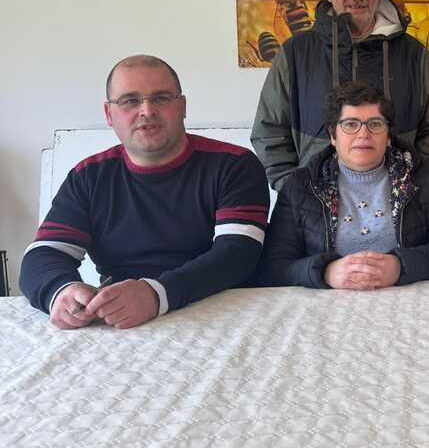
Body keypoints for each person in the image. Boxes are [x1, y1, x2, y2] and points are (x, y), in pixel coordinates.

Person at [20, 55, 269, 329]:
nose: (147, 110)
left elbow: (238, 254)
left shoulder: (235, 165)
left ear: (182, 106)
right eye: (130, 100)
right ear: (109, 114)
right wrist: (61, 291)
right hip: (121, 321)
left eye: (161, 98)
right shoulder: (88, 176)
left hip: (226, 317)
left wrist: (156, 294)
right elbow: (43, 254)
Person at [252, 0, 429, 190]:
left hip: (399, 203)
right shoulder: (295, 53)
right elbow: (269, 132)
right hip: (316, 205)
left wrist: (414, 182)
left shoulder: (413, 54)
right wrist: (294, 190)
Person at [258, 82, 429, 289]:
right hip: (327, 300)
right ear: (332, 135)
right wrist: (325, 272)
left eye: (375, 124)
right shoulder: (301, 185)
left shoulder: (424, 177)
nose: (364, 134)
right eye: (350, 124)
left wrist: (401, 267)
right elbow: (275, 265)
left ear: (388, 135)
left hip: (407, 297)